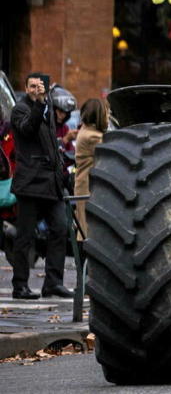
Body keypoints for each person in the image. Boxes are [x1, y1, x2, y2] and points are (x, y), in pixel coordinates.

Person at [9, 72, 71, 299]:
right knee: (25, 236)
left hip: (51, 183)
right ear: (26, 88)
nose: (36, 89)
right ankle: (20, 285)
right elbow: (28, 129)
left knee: (60, 228)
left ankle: (53, 282)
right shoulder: (21, 109)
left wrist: (62, 172)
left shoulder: (48, 108)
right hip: (30, 183)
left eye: (40, 86)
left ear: (46, 88)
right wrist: (38, 105)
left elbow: (52, 145)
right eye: (32, 86)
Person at [73, 99, 107, 238]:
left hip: (84, 183)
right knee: (88, 228)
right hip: (87, 185)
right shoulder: (92, 136)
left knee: (85, 225)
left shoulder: (85, 130)